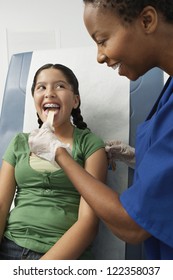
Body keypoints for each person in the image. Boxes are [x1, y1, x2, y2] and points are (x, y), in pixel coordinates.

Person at [28, 0, 173, 260]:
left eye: (103, 39)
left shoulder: (89, 144)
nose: (99, 56)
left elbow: (131, 223)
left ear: (147, 21)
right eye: (41, 87)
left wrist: (59, 154)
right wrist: (140, 158)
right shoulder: (168, 94)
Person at [0, 63, 108, 260]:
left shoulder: (91, 145)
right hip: (10, 246)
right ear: (35, 99)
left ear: (75, 100)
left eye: (59, 86)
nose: (49, 93)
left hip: (64, 256)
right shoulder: (20, 142)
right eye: (41, 87)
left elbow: (89, 224)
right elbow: (0, 204)